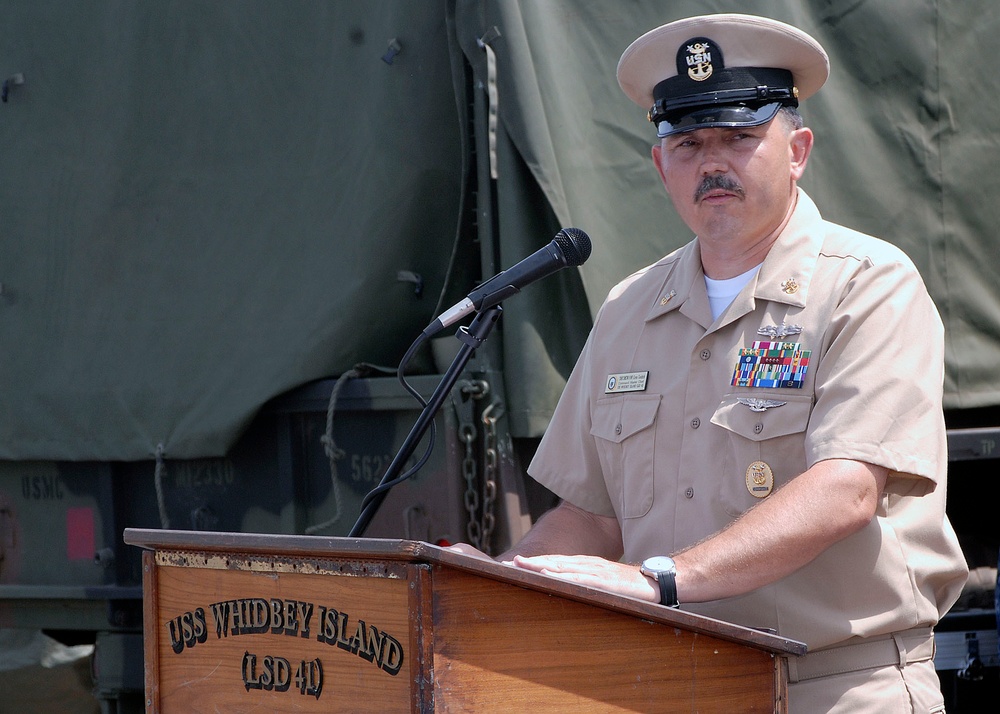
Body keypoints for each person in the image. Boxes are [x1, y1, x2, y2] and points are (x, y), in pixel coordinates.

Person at [452, 12, 969, 714]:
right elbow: (592, 518)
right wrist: (506, 583)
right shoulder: (629, 310)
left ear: (798, 150)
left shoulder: (866, 283)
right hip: (665, 686)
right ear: (661, 165)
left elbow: (847, 487)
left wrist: (664, 580)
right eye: (689, 143)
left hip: (834, 687)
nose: (712, 162)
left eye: (739, 136)